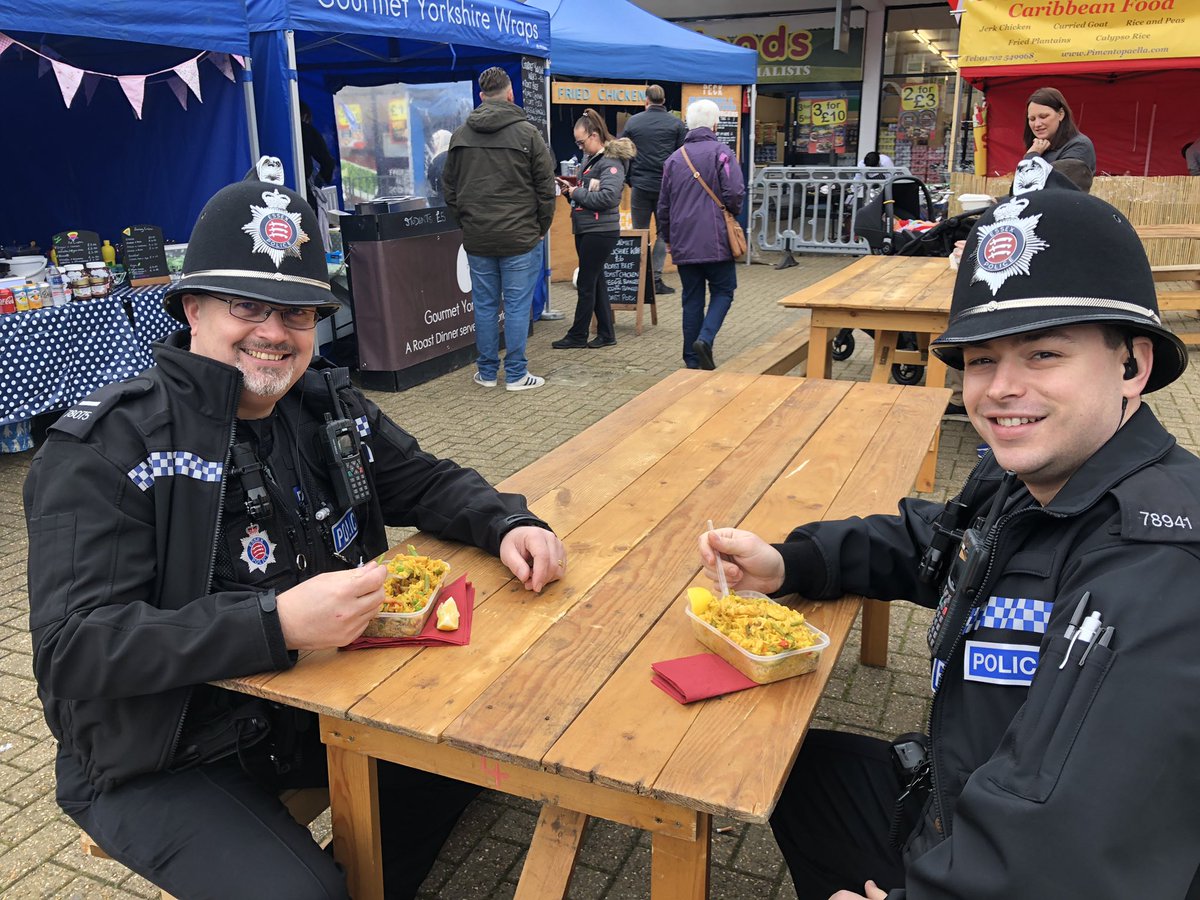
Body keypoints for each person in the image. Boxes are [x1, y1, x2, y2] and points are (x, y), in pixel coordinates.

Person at [25, 161, 567, 900]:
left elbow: (426, 481)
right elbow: (75, 649)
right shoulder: (109, 447)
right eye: (247, 307)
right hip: (161, 752)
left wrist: (507, 522)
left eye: (299, 312)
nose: (275, 334)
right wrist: (275, 622)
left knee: (487, 744)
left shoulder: (325, 407)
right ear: (191, 308)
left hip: (311, 710)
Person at [699, 162, 1200, 899]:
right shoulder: (1028, 477)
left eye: (1044, 354)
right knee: (794, 773)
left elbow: (1076, 847)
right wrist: (788, 562)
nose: (1001, 389)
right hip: (949, 803)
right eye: (982, 359)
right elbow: (929, 543)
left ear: (1132, 364)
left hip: (1020, 854)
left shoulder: (1155, 565)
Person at [443, 66, 556, 391]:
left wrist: (465, 222)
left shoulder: (461, 134)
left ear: (481, 96)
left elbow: (448, 188)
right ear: (510, 94)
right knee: (517, 306)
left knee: (485, 306)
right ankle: (517, 374)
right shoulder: (528, 134)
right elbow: (545, 188)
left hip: (478, 237)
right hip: (521, 236)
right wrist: (540, 228)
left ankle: (488, 372)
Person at [658, 99, 746, 370]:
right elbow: (735, 193)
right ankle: (705, 339)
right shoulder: (722, 153)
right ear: (715, 124)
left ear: (688, 124)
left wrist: (668, 238)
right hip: (716, 237)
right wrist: (732, 212)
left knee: (691, 298)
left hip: (684, 240)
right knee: (724, 290)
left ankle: (692, 359)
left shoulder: (673, 159)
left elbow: (664, 205)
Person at [551, 109, 635, 350]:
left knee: (587, 284)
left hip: (600, 230)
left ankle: (578, 334)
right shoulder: (592, 159)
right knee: (596, 282)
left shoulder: (610, 162)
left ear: (595, 135)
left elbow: (609, 197)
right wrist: (571, 193)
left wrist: (577, 192)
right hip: (588, 227)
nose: (579, 147)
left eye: (581, 141)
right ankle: (607, 334)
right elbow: (588, 195)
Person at [620, 84, 687, 296]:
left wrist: (629, 179)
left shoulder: (633, 122)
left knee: (639, 233)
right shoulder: (676, 124)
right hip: (665, 188)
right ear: (664, 101)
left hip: (640, 185)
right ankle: (656, 278)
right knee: (662, 232)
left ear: (646, 101)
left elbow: (625, 154)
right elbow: (681, 157)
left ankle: (639, 278)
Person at [1022, 86, 1095, 174]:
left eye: (1043, 117)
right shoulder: (1039, 148)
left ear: (1061, 114)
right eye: (1032, 119)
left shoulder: (1079, 145)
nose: (1037, 124)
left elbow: (1057, 182)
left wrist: (1031, 156)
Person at [299, 100, 336, 213]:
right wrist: (319, 180)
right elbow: (327, 162)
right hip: (304, 191)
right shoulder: (306, 130)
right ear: (305, 116)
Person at [425, 128, 452, 203]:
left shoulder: (438, 159)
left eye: (436, 140)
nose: (434, 144)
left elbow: (433, 181)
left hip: (444, 201)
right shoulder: (461, 154)